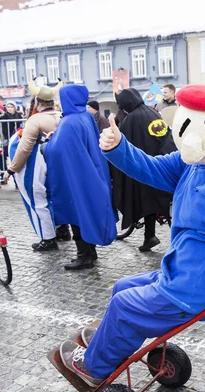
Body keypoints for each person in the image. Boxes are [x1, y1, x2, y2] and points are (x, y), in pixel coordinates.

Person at [59, 84, 205, 388]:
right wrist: (119, 145)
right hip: (179, 271)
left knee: (125, 306)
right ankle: (111, 339)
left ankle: (94, 365)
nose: (192, 139)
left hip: (198, 286)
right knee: (122, 288)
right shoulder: (193, 163)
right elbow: (151, 168)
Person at [45, 84, 117, 270]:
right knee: (86, 212)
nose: (59, 102)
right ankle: (90, 252)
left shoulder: (69, 122)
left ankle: (84, 255)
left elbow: (56, 150)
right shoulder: (85, 116)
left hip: (76, 176)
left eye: (61, 98)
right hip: (89, 171)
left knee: (77, 213)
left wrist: (47, 144)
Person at [112, 88, 176, 251]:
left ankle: (150, 236)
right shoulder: (152, 112)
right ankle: (149, 236)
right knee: (153, 201)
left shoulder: (131, 119)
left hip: (147, 167)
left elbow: (124, 148)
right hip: (163, 163)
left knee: (146, 200)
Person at [4, 81, 64, 251]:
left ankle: (48, 238)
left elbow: (25, 148)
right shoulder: (62, 116)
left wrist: (12, 169)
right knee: (56, 197)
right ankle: (62, 229)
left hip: (40, 164)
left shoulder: (36, 119)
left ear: (37, 102)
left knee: (38, 200)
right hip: (60, 165)